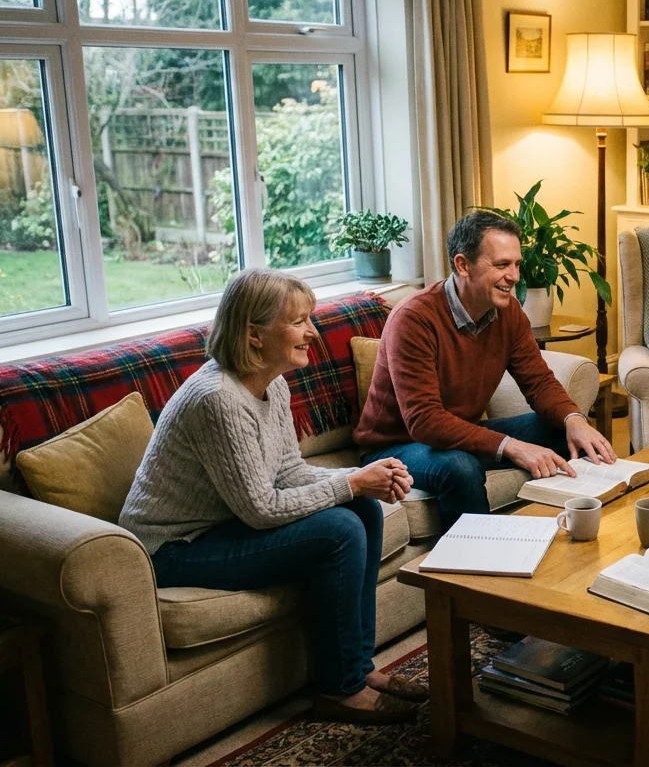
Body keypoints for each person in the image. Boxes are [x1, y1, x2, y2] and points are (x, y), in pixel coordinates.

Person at [119, 269, 426, 725]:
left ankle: (359, 669)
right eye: (299, 322)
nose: (313, 332)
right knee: (340, 527)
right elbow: (263, 509)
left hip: (222, 524)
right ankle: (339, 691)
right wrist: (354, 483)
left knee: (361, 508)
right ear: (254, 334)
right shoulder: (219, 398)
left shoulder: (272, 384)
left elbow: (288, 472)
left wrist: (363, 478)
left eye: (311, 319)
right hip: (171, 549)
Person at [354, 210, 616, 530]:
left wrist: (573, 419)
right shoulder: (414, 319)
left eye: (517, 264)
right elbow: (425, 421)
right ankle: (481, 566)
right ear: (463, 265)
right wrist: (512, 446)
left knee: (571, 432)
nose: (515, 276)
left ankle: (566, 533)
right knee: (459, 467)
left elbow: (538, 381)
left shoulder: (508, 312)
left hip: (459, 430)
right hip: (394, 446)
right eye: (502, 265)